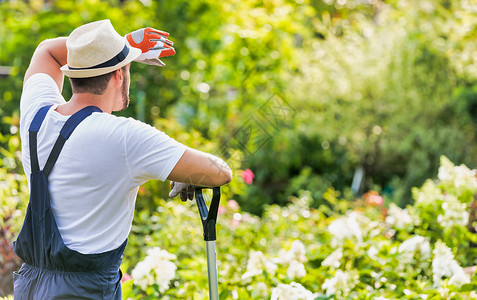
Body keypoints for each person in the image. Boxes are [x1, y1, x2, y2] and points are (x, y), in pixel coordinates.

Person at [13, 19, 232, 299]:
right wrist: (185, 174)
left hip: (31, 286)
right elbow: (220, 171)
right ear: (119, 75)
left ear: (73, 74)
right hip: (85, 292)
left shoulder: (36, 113)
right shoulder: (124, 138)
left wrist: (114, 45)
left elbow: (47, 51)